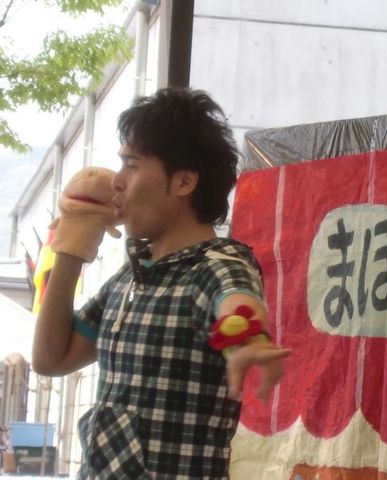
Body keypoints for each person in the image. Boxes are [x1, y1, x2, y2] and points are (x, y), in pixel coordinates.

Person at [32, 87, 290, 479]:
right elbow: (51, 359)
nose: (117, 182)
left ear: (184, 182)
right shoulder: (129, 279)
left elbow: (235, 297)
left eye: (132, 165)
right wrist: (71, 245)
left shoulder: (215, 263)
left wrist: (248, 338)